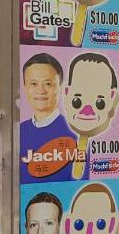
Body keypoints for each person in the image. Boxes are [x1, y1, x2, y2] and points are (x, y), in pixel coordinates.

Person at [19, 53, 76, 183]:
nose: (41, 90)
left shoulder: (75, 133)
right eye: (33, 84)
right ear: (25, 88)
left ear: (61, 87)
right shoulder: (18, 131)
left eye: (48, 84)